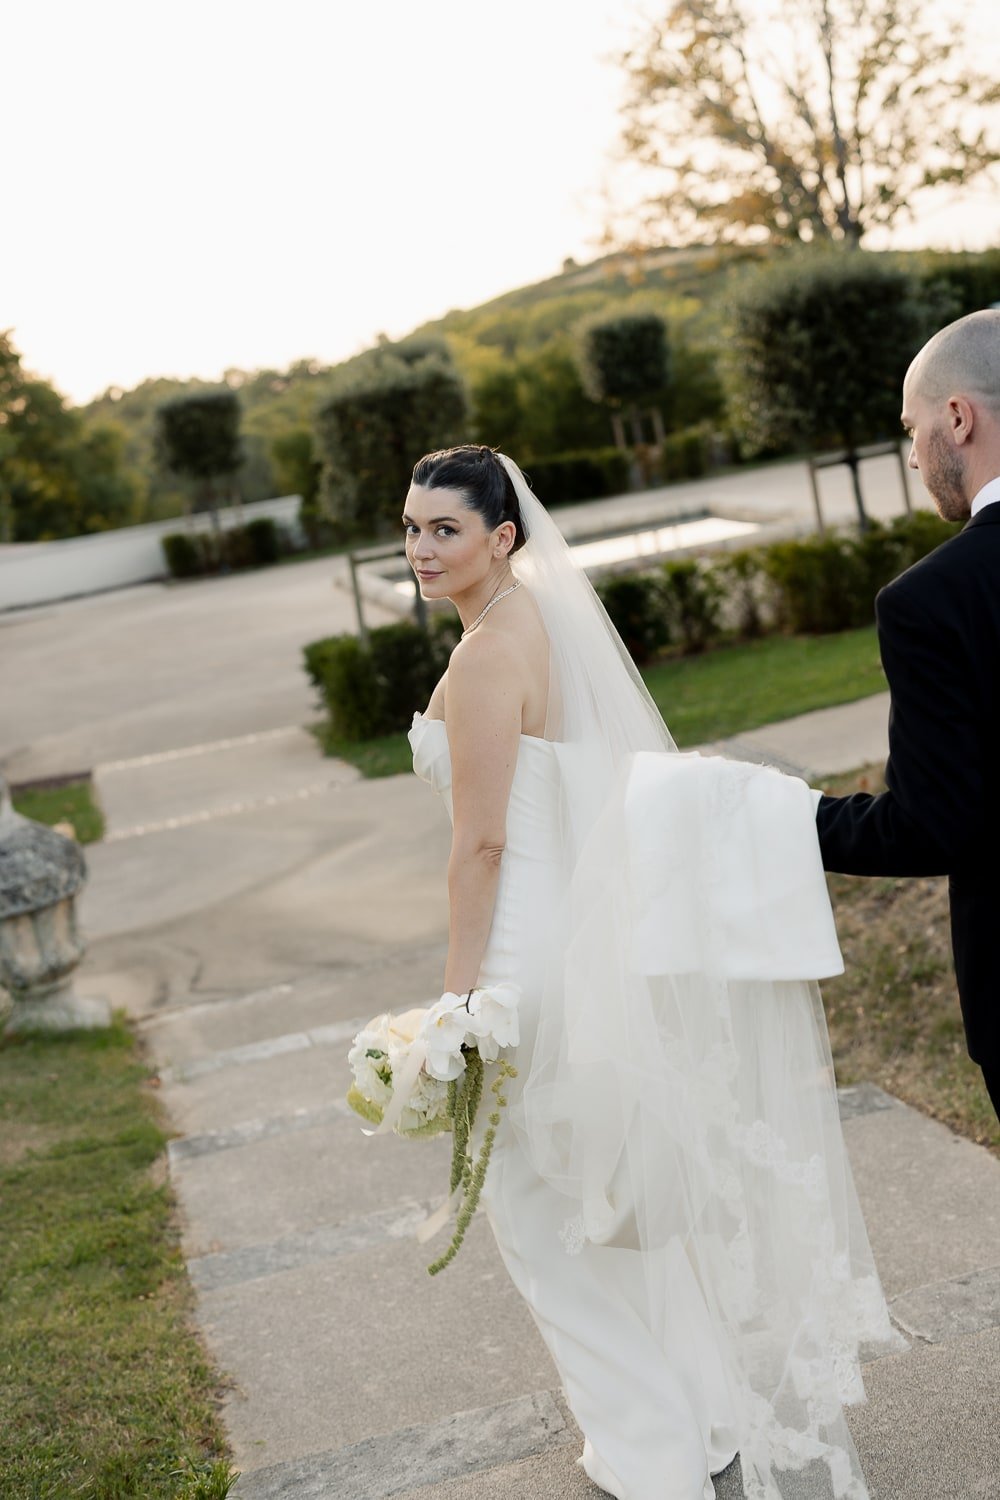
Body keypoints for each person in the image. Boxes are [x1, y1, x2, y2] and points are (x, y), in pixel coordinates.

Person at [405, 444, 903, 1500]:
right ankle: (707, 1417)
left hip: (519, 956)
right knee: (611, 1196)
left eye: (444, 528)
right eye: (409, 528)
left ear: (502, 537)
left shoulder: (490, 657)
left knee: (544, 1221)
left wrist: (455, 1003)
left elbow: (480, 847)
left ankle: (649, 1457)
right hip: (571, 935)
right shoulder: (535, 627)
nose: (420, 548)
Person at [815, 309, 1000, 1124]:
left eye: (913, 427)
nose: (914, 452)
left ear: (957, 418)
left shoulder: (932, 602)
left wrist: (778, 817)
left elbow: (932, 827)